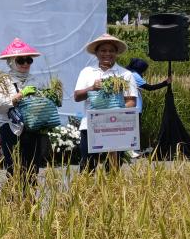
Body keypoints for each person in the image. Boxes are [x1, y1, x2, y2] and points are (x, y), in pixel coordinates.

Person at [73, 33, 138, 171]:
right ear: (96, 53)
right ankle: (87, 192)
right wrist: (92, 88)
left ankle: (112, 192)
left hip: (116, 126)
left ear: (116, 53)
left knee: (113, 167)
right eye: (103, 50)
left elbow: (131, 101)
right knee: (87, 165)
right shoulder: (87, 72)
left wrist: (113, 112)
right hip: (90, 125)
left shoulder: (125, 74)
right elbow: (77, 96)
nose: (107, 54)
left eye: (111, 51)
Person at [0, 38, 47, 183]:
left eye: (28, 60)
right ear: (11, 61)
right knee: (14, 169)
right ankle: (15, 203)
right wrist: (17, 97)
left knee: (32, 170)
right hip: (11, 129)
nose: (25, 64)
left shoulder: (36, 81)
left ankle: (30, 203)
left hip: (32, 129)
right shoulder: (2, 80)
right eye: (20, 61)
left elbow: (44, 104)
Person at [125, 58, 171, 157]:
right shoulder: (135, 75)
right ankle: (131, 151)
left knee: (132, 128)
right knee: (135, 129)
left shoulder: (128, 73)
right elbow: (149, 88)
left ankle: (132, 150)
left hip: (130, 107)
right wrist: (165, 83)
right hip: (135, 107)